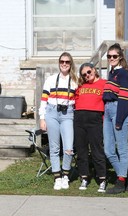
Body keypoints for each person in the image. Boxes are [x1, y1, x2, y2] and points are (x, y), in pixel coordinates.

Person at [39, 52, 78, 190]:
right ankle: (57, 177)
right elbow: (43, 100)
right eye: (62, 61)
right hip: (52, 113)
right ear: (59, 62)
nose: (64, 64)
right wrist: (42, 118)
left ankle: (66, 175)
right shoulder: (50, 79)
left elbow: (78, 101)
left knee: (68, 148)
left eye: (67, 62)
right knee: (54, 148)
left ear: (71, 63)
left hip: (67, 113)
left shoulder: (75, 81)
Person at [103, 43, 128, 194]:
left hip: (118, 111)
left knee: (122, 149)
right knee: (108, 150)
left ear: (120, 57)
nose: (111, 58)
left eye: (114, 56)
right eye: (109, 56)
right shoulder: (112, 73)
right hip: (108, 110)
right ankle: (123, 177)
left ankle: (121, 182)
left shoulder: (124, 74)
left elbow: (124, 99)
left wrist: (119, 120)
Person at [73, 62, 107, 192]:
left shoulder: (104, 83)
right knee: (81, 151)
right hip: (79, 119)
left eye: (88, 72)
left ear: (94, 70)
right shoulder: (81, 86)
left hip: (95, 119)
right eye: (84, 74)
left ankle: (102, 179)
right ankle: (84, 177)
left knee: (97, 150)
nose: (87, 75)